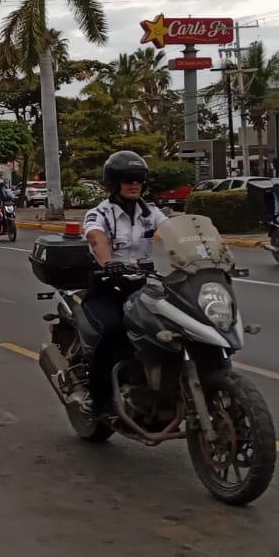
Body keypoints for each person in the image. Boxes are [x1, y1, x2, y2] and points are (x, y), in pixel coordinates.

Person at [80, 151, 166, 420]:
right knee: (114, 330)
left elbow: (175, 231)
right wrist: (108, 263)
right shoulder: (99, 214)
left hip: (141, 288)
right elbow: (96, 237)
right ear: (113, 183)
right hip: (106, 288)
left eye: (139, 179)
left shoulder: (150, 213)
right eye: (128, 179)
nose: (135, 184)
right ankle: (97, 396)